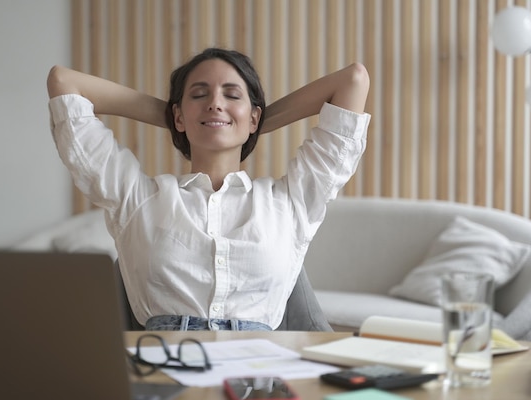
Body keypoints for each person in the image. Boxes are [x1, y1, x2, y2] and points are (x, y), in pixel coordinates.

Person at [47, 47, 370, 331]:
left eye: (232, 95)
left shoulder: (290, 203)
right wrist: (193, 119)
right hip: (165, 365)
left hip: (258, 369)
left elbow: (352, 80)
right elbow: (64, 83)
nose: (215, 103)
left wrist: (241, 123)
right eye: (199, 95)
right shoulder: (137, 198)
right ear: (177, 115)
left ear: (255, 117)